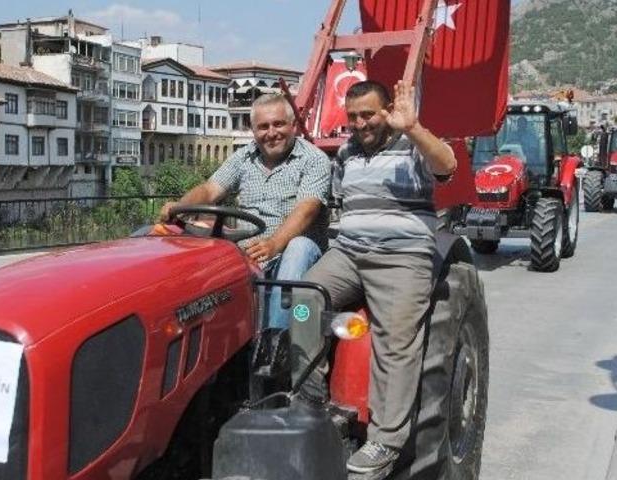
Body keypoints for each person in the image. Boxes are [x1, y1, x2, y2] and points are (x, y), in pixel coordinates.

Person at [290, 80, 457, 476]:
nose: (360, 123)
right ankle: (309, 396)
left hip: (402, 258)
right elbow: (338, 206)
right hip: (349, 255)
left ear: (386, 111)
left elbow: (447, 164)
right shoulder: (346, 153)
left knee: (395, 339)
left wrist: (414, 127)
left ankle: (385, 441)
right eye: (353, 117)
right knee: (302, 298)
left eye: (368, 114)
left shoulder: (413, 145)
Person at [159, 93, 331, 329]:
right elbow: (210, 190)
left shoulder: (313, 159)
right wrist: (179, 208)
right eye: (263, 127)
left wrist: (273, 244)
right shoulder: (243, 158)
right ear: (253, 131)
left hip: (292, 249)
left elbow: (307, 208)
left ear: (293, 126)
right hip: (249, 250)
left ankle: (272, 343)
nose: (271, 133)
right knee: (188, 238)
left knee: (298, 247)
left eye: (278, 124)